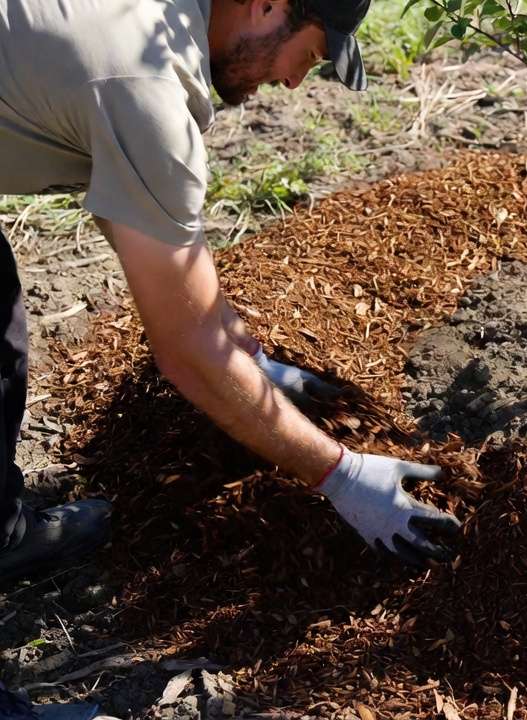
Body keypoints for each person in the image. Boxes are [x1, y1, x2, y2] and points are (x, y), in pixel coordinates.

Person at [0, 0, 462, 589]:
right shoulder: (147, 89)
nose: (294, 82)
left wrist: (248, 355)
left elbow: (137, 219)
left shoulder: (149, 25)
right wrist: (341, 475)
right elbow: (185, 354)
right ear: (265, 5)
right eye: (310, 55)